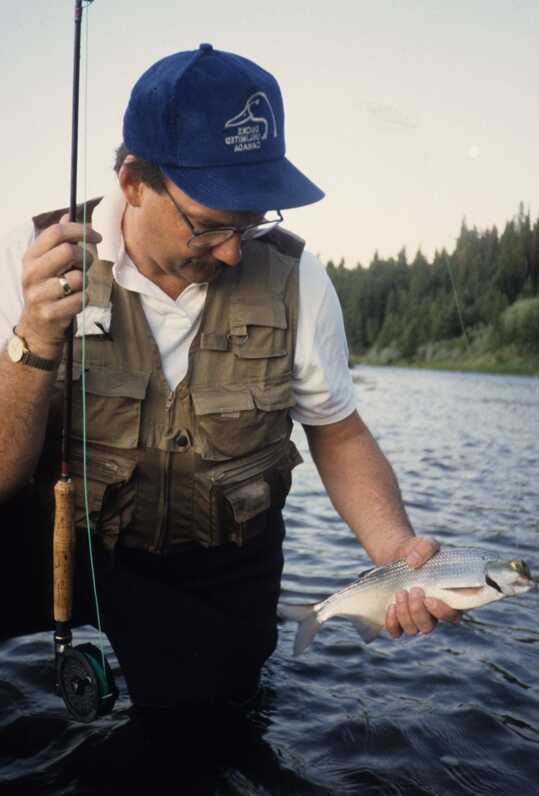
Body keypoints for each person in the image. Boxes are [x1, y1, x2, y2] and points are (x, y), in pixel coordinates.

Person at [0, 44, 460, 713]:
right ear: (133, 182)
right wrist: (35, 341)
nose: (233, 250)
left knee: (202, 747)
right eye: (209, 224)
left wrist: (393, 553)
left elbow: (336, 430)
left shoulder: (298, 279)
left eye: (252, 220)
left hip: (214, 567)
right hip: (54, 533)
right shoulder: (29, 255)